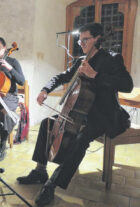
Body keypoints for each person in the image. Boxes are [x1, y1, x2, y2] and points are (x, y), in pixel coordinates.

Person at [16, 23, 133, 206]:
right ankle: (40, 171)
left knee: (80, 140)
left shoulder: (112, 58)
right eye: (80, 39)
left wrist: (95, 75)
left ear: (97, 39)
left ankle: (51, 185)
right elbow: (62, 76)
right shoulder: (81, 60)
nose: (80, 42)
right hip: (79, 111)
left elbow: (127, 85)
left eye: (85, 39)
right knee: (48, 123)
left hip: (103, 114)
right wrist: (45, 89)